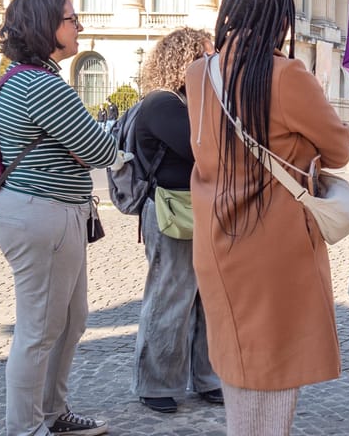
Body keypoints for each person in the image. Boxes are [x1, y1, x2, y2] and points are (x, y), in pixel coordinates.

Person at [184, 0, 349, 435]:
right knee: (272, 379)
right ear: (281, 20)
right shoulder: (285, 74)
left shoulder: (199, 73)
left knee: (239, 365)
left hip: (218, 240)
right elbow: (338, 149)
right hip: (274, 244)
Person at [0, 0, 117, 436]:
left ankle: (51, 413)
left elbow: (88, 149)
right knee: (39, 330)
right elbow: (101, 148)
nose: (79, 25)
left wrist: (82, 149)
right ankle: (24, 428)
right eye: (71, 18)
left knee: (71, 319)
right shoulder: (39, 84)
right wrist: (85, 148)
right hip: (43, 214)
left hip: (51, 212)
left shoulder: (29, 78)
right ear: (47, 26)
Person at [132, 27, 222, 413]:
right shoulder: (162, 104)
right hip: (173, 210)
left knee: (208, 299)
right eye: (206, 56)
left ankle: (208, 377)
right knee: (171, 295)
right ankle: (156, 383)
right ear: (185, 60)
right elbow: (203, 150)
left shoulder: (193, 104)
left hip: (200, 209)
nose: (214, 63)